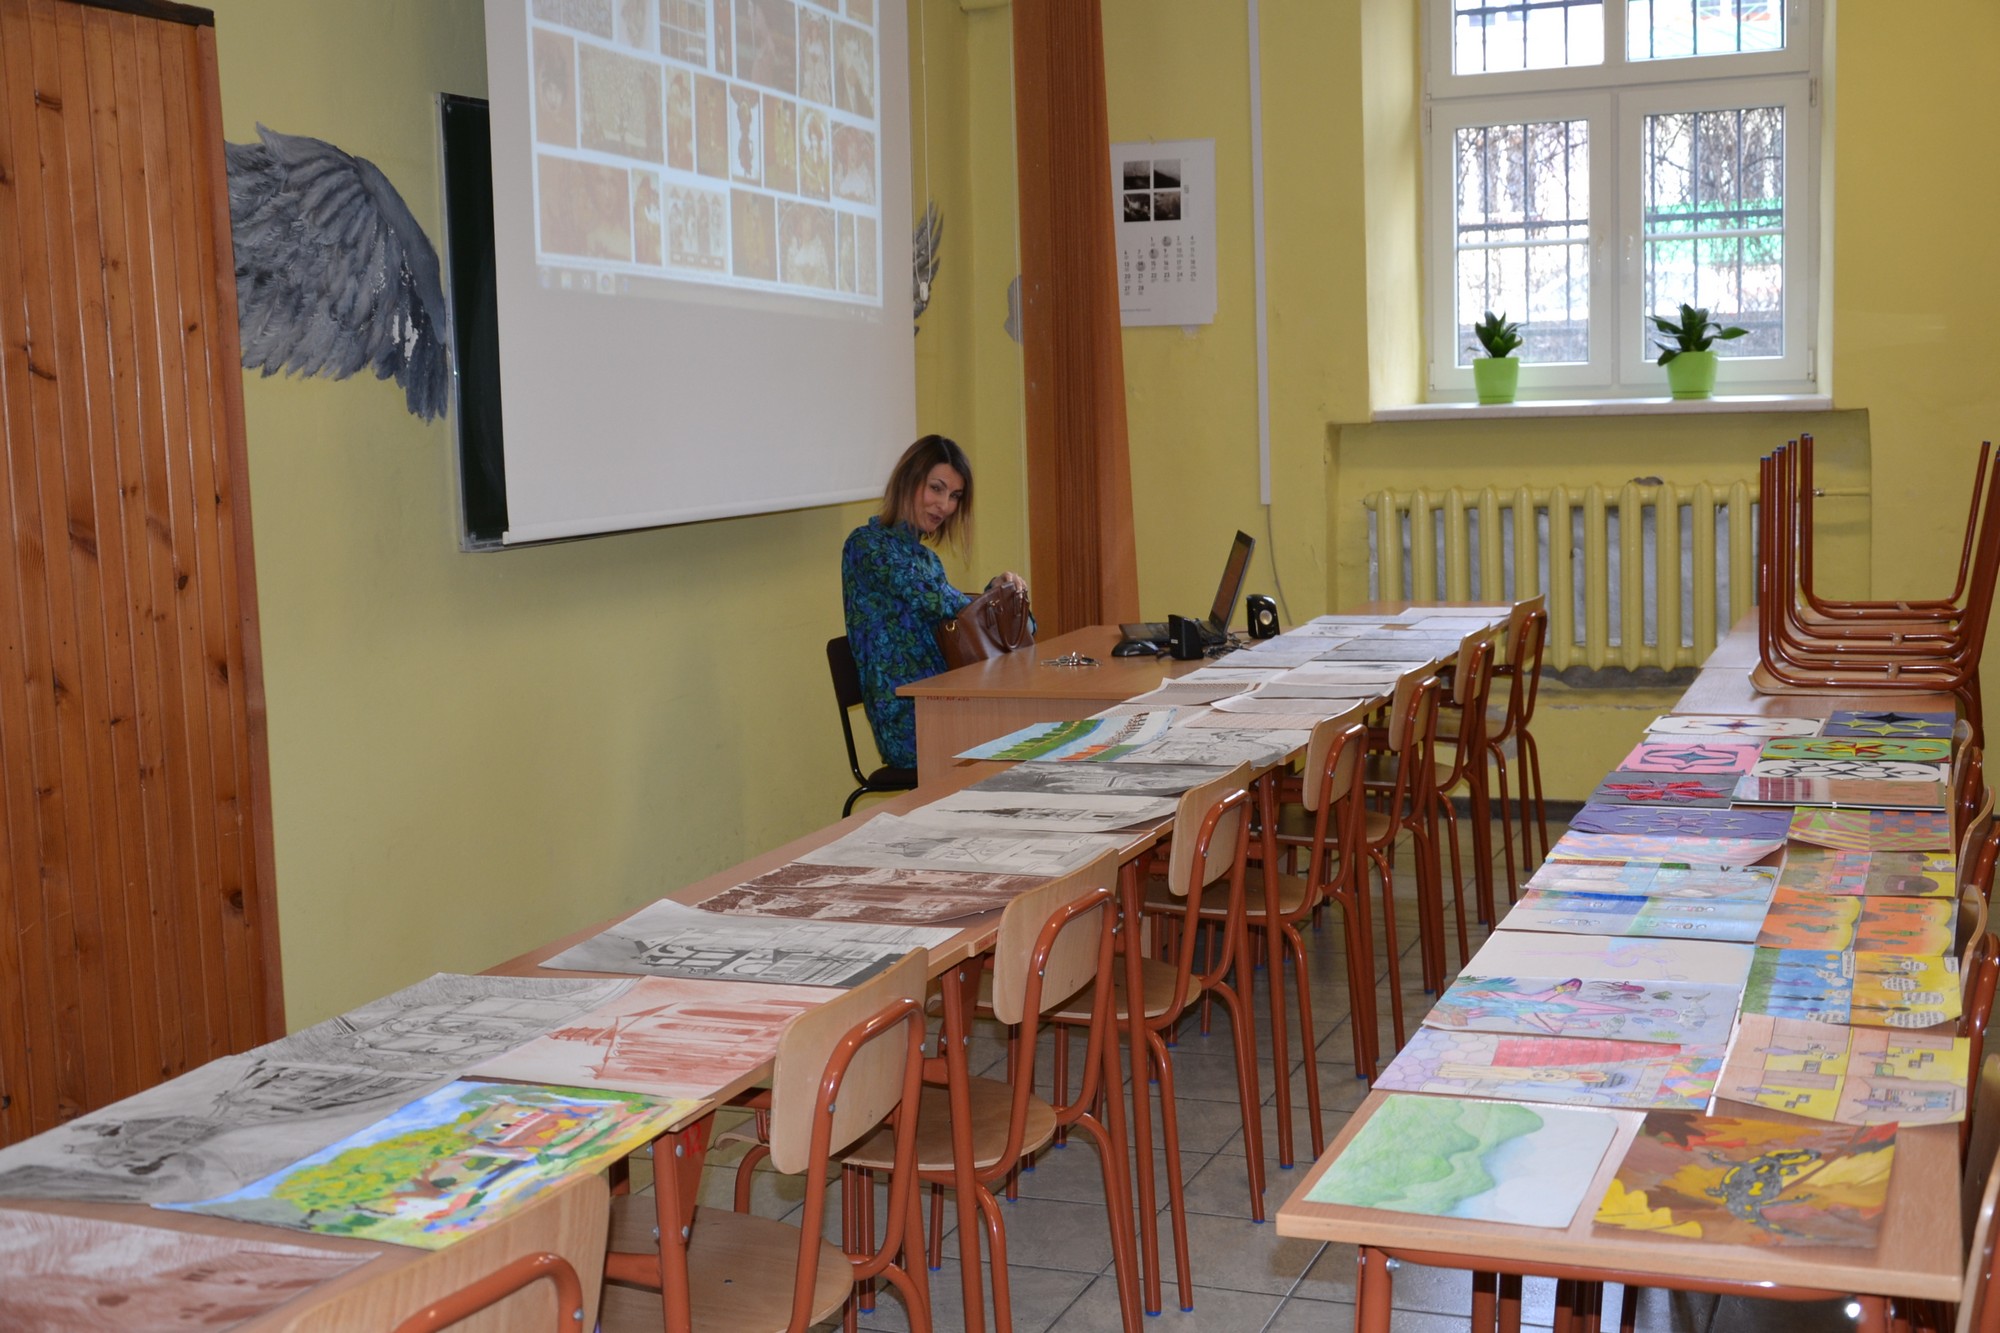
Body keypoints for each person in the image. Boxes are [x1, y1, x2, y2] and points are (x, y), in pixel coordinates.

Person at [842, 435, 1028, 771]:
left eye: (954, 495)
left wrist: (1001, 595)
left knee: (1033, 725)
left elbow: (958, 612)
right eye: (936, 488)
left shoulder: (927, 560)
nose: (945, 505)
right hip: (909, 720)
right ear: (908, 481)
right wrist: (998, 601)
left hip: (946, 702)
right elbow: (942, 601)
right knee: (1024, 735)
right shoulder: (867, 546)